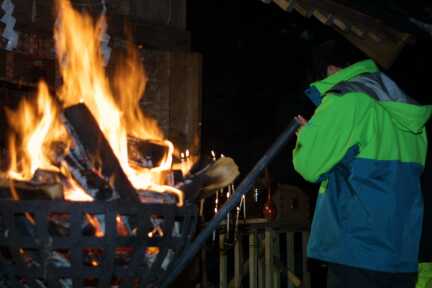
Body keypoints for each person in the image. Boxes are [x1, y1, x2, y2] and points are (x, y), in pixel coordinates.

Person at [292, 40, 432, 288]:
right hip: (402, 253)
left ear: (331, 69)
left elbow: (309, 165)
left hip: (357, 250)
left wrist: (307, 134)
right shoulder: (407, 112)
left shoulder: (347, 99)